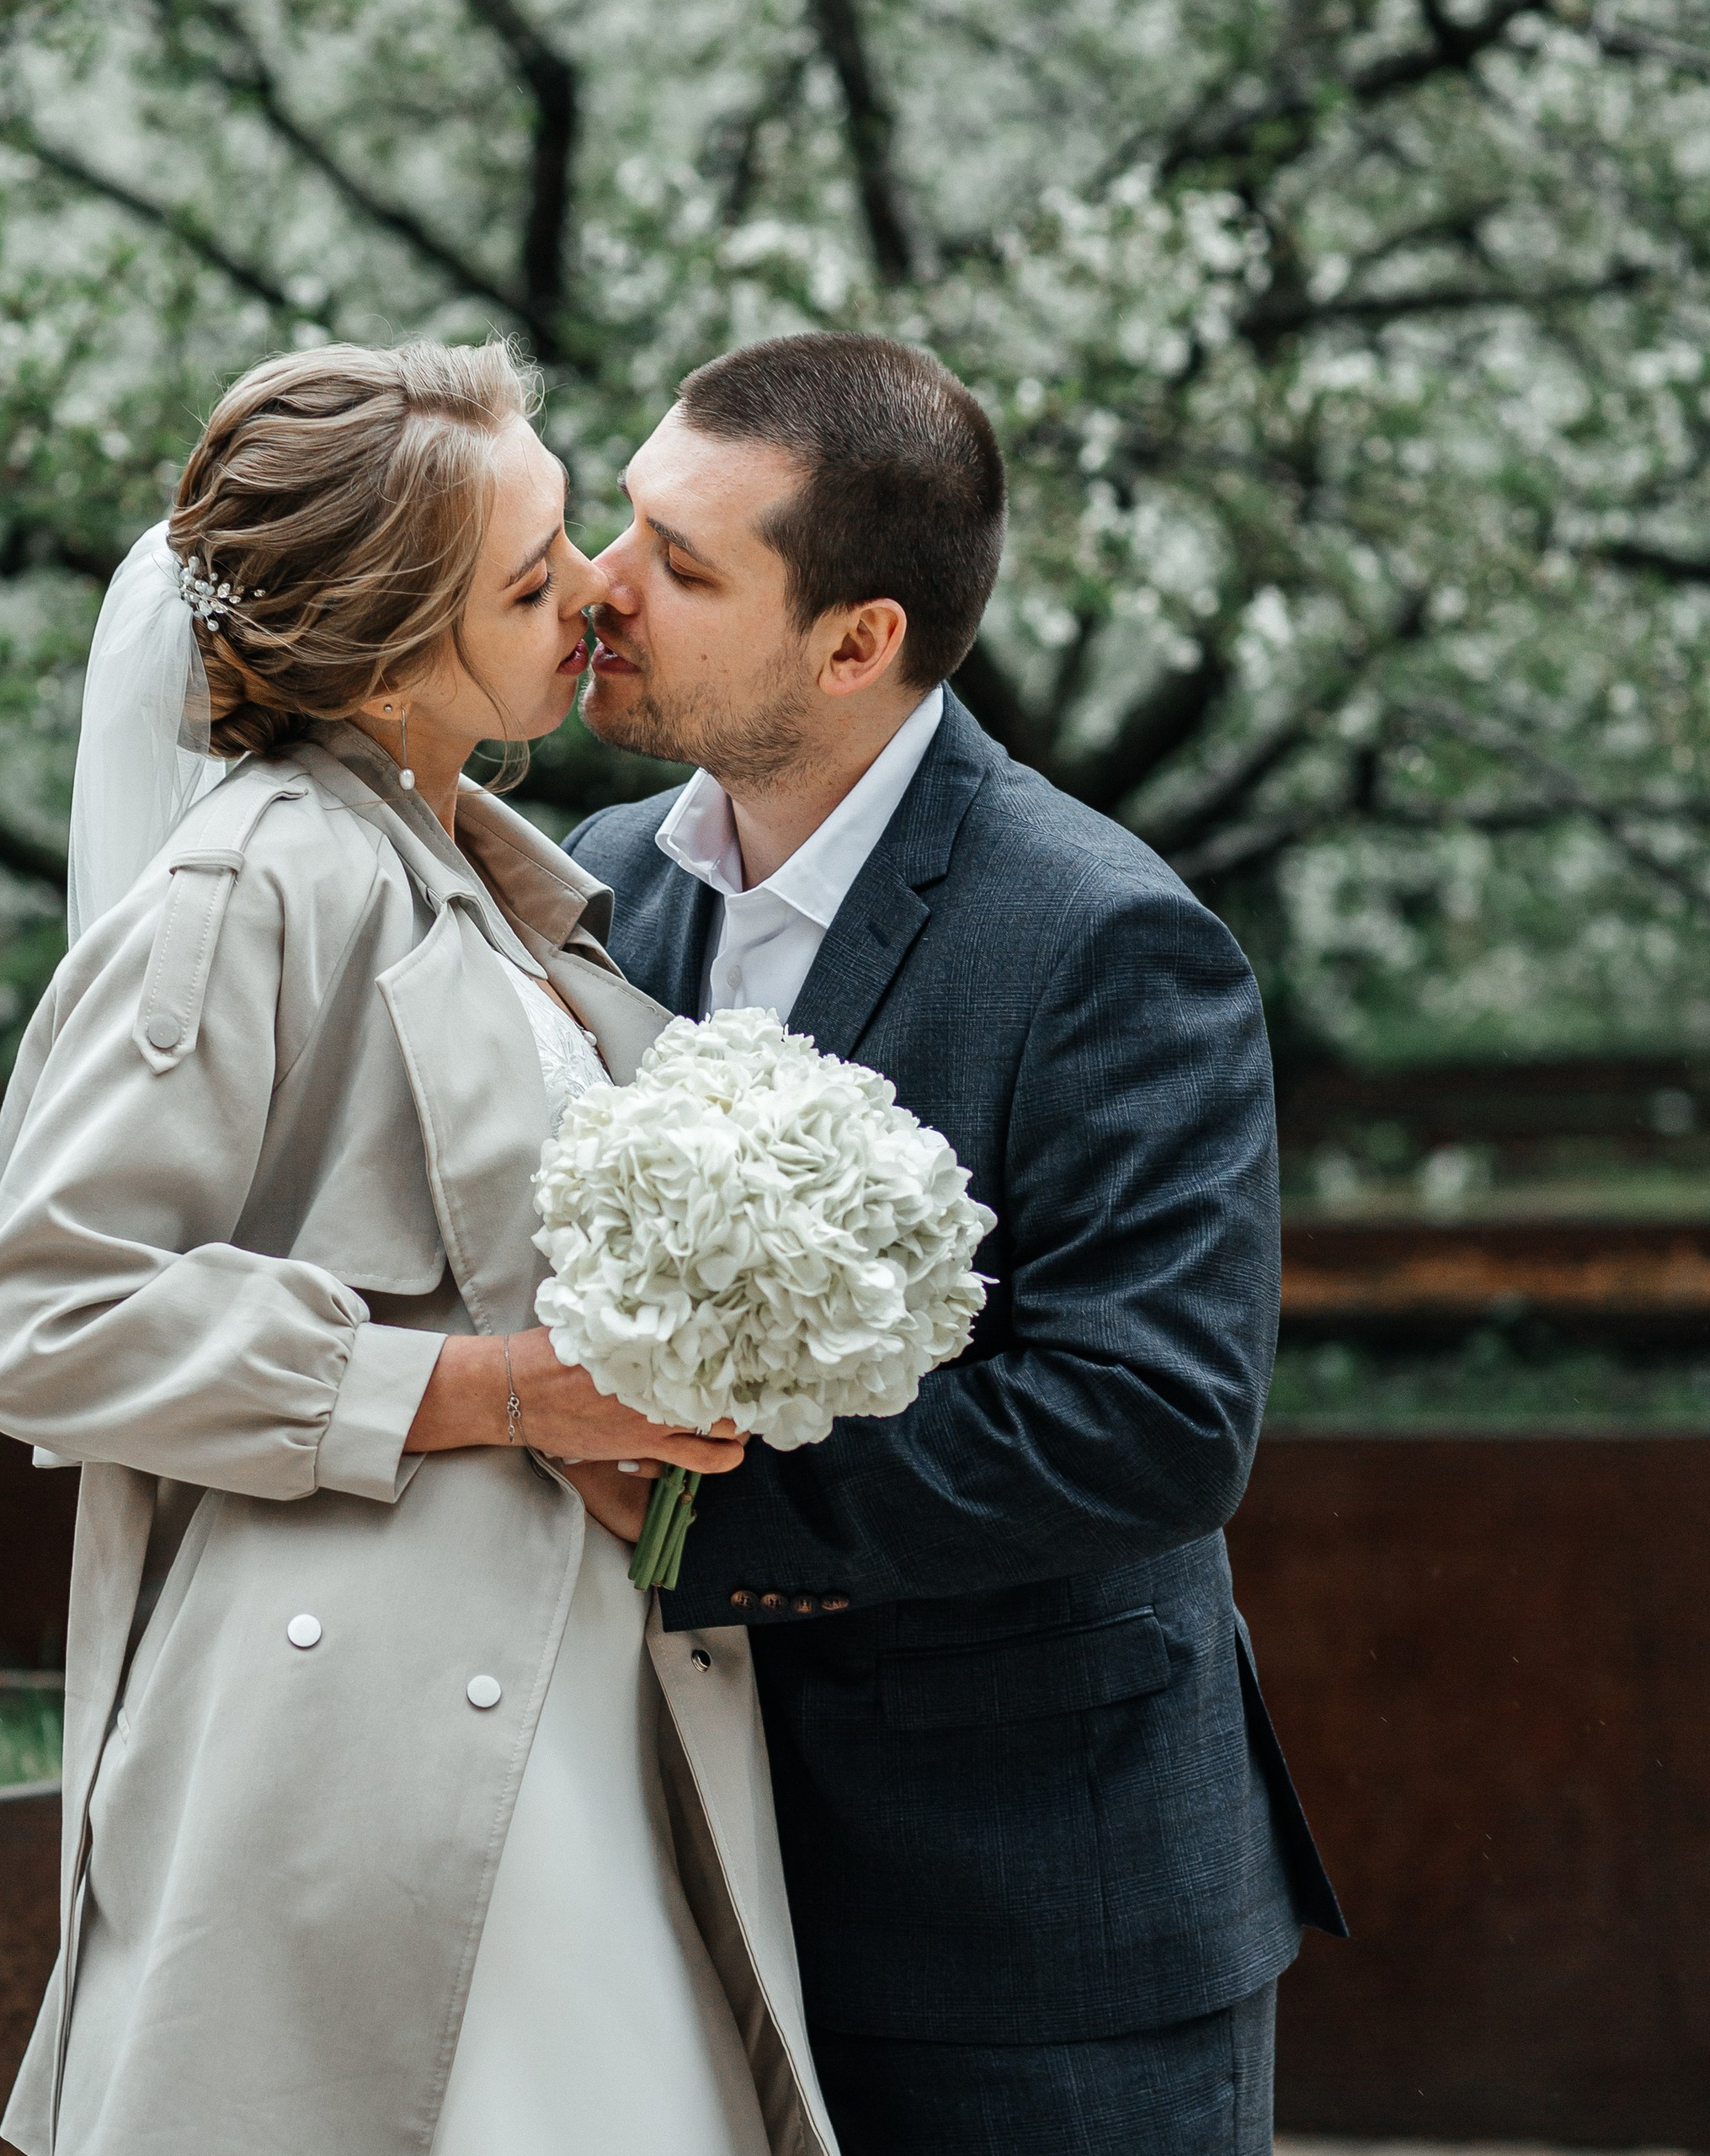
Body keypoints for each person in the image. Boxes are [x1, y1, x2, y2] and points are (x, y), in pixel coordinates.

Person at [0, 341, 839, 2156]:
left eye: (568, 530)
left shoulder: (498, 878)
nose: (594, 584)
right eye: (530, 579)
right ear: (379, 650)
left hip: (587, 1705)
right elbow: (39, 1318)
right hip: (358, 1739)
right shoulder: (250, 880)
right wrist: (490, 1389)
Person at [565, 330, 1346, 2156]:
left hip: (1032, 1916)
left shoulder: (1102, 939)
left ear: (856, 643)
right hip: (672, 1883)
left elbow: (1150, 1415)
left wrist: (702, 1516)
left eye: (684, 566)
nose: (603, 589)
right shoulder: (606, 866)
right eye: (629, 523)